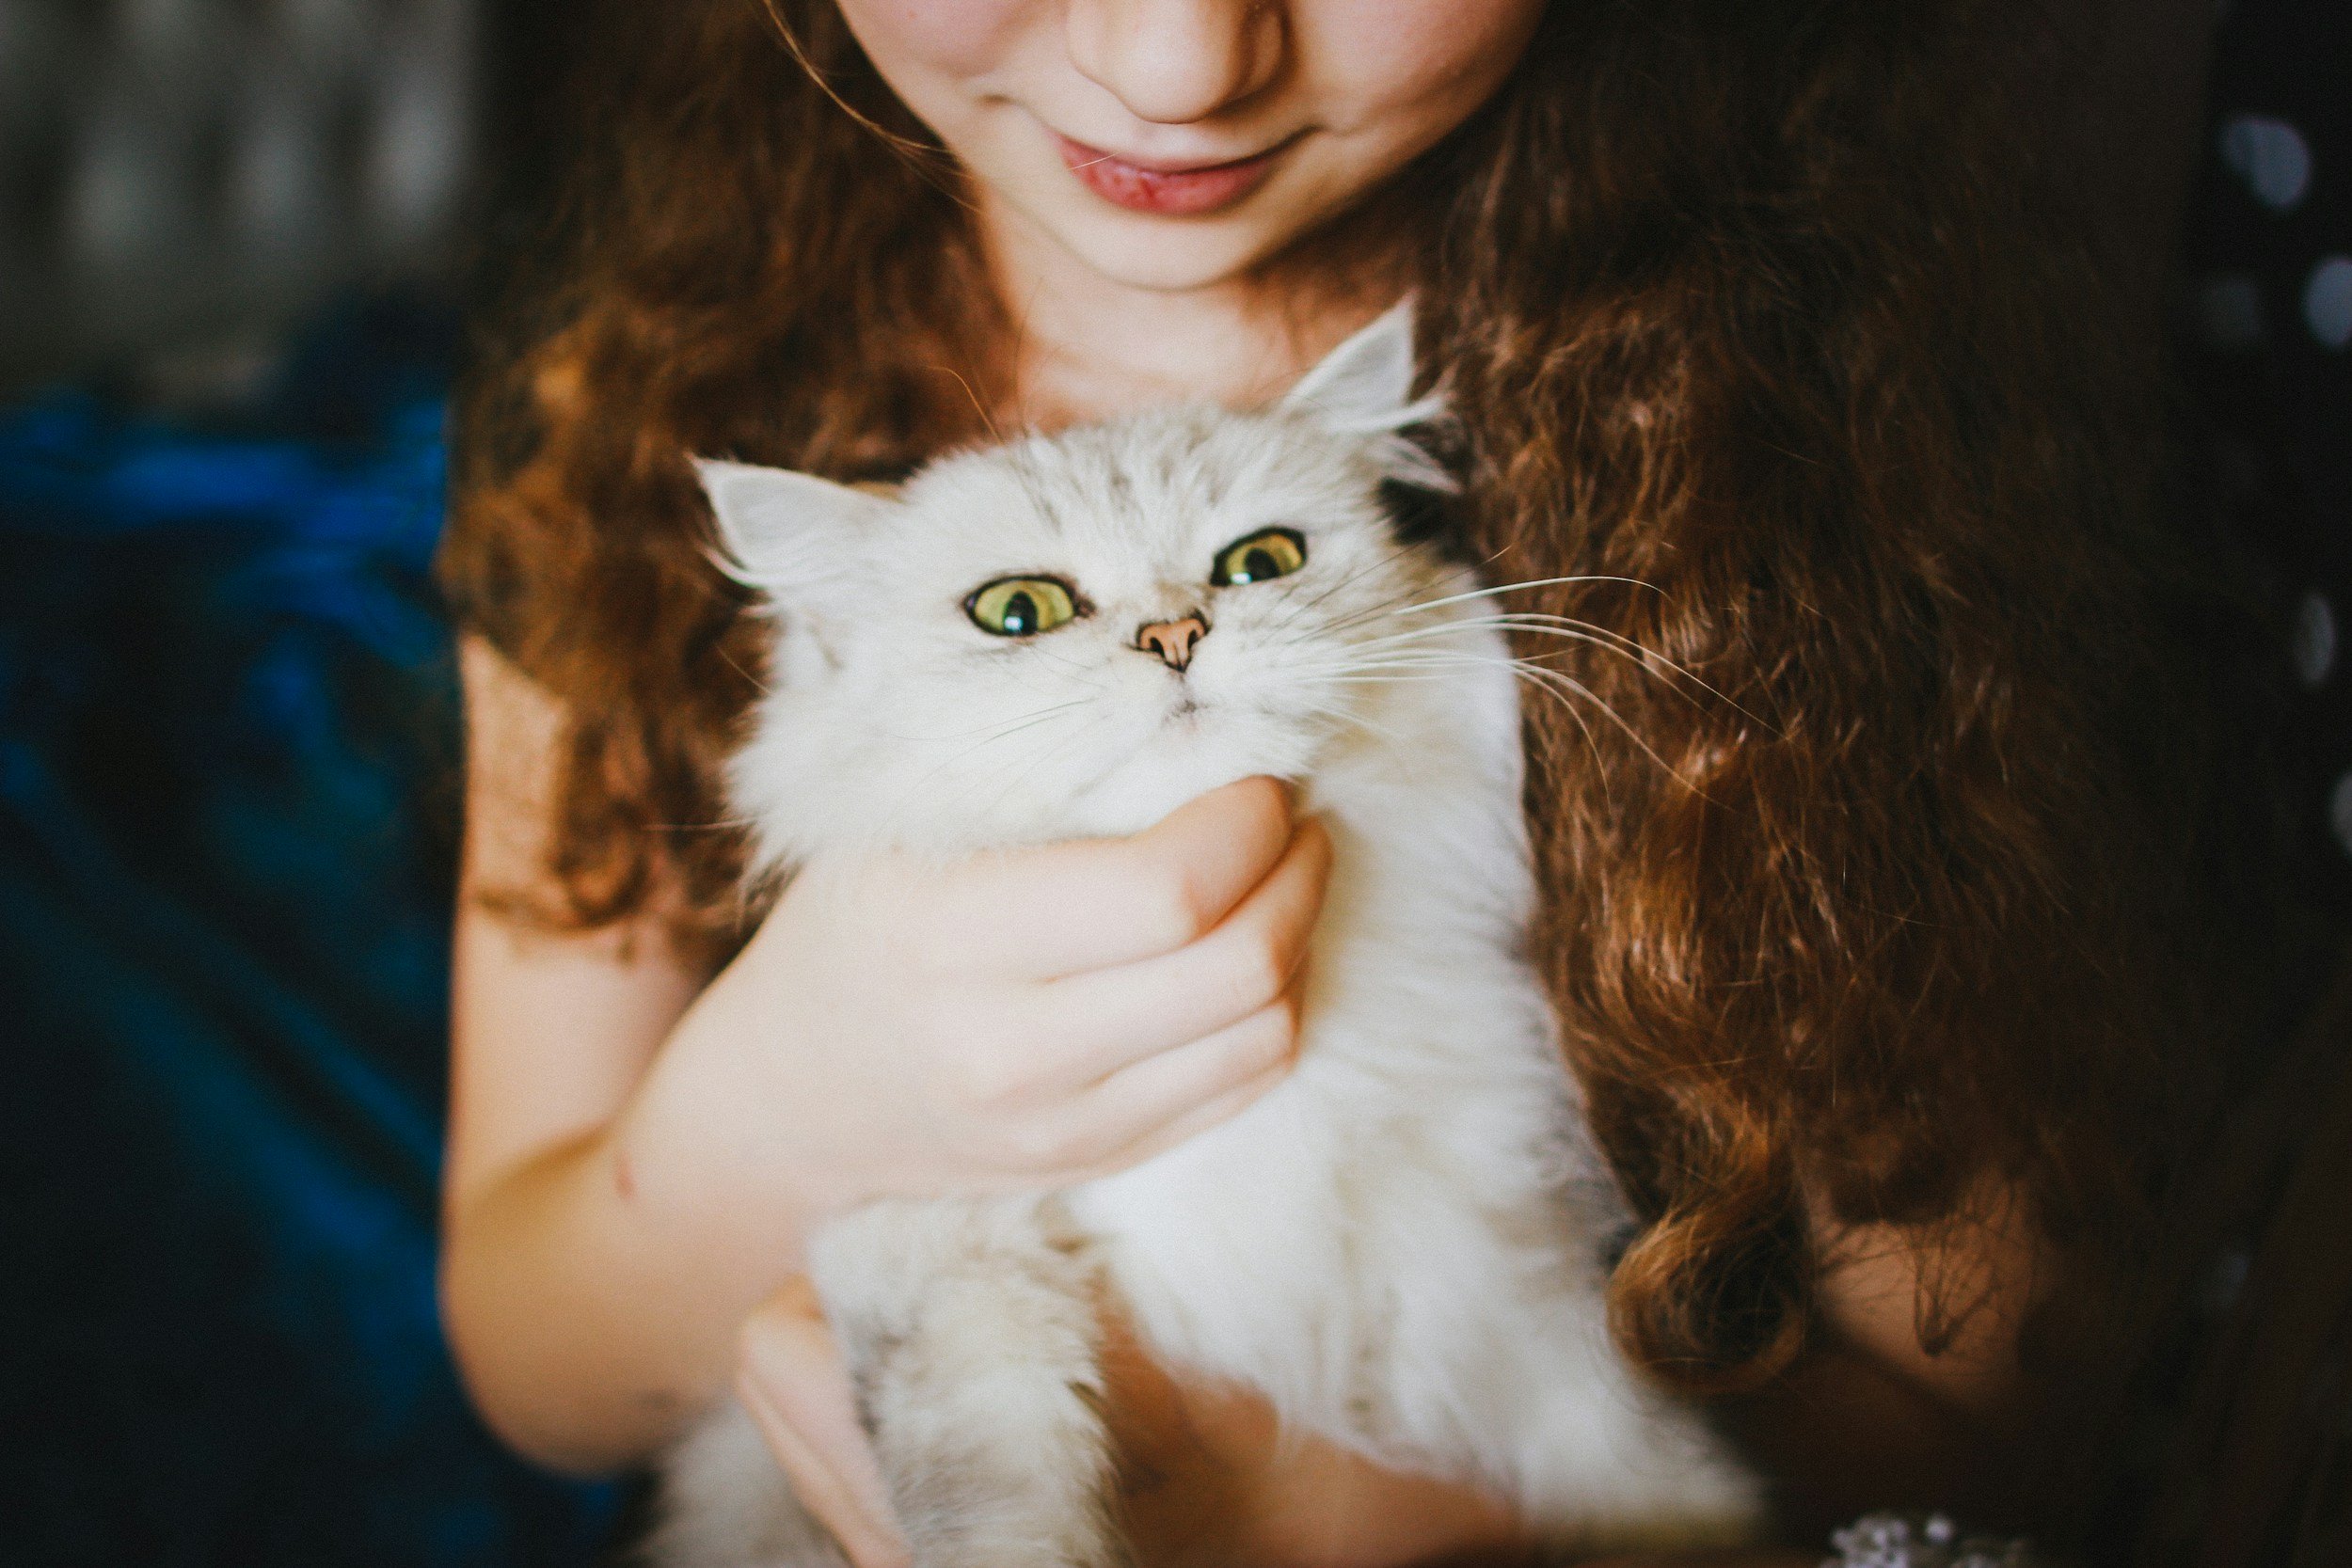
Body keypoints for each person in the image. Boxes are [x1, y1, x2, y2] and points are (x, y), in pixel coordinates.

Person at [434, 1, 2279, 1561]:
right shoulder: (612, 416)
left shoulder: (1854, 463)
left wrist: (1325, 1524)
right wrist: (775, 1107)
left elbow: (1982, 1442)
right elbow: (534, 1363)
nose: (1176, 64)